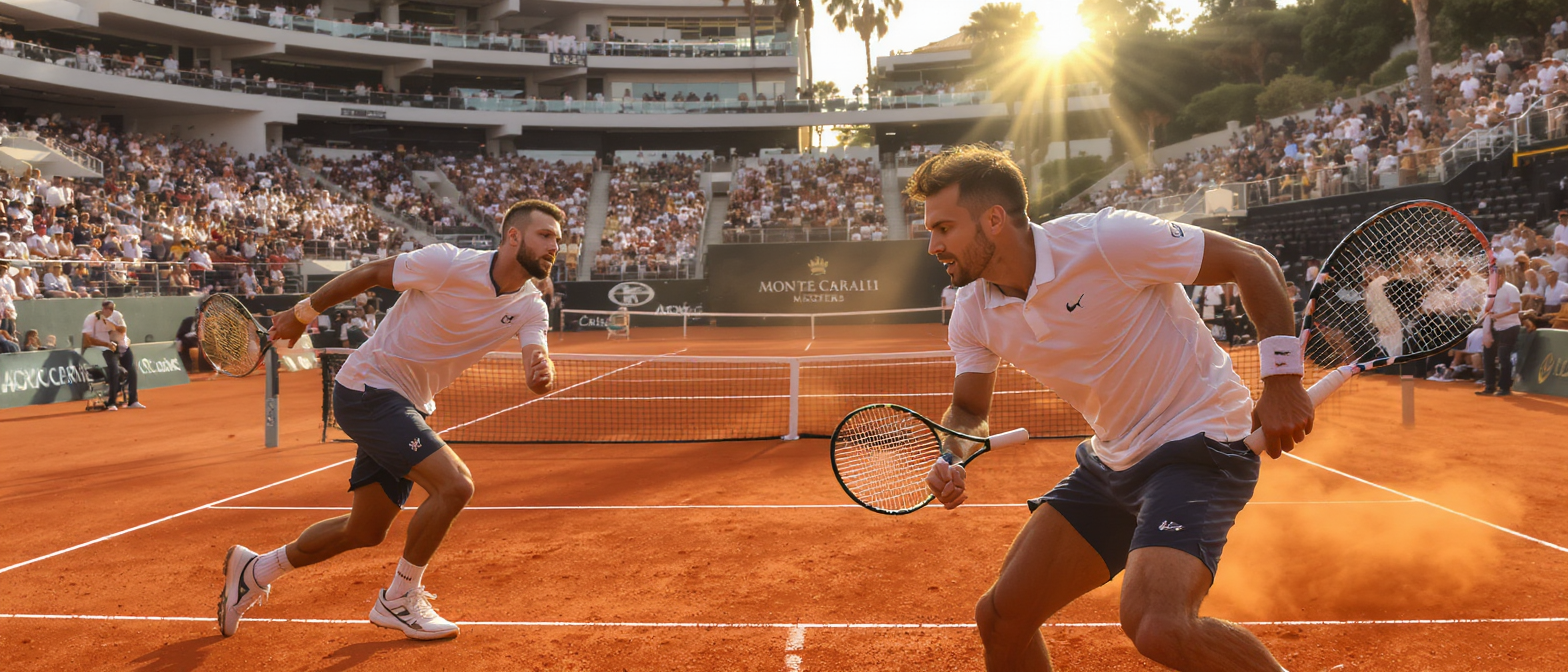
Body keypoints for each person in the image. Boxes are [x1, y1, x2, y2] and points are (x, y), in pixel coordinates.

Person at [909, 146, 1312, 672]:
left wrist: (1282, 379)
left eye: (943, 228)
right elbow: (967, 409)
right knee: (1002, 619)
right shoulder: (972, 311)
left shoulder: (1105, 239)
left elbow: (1251, 260)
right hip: (1114, 461)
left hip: (1199, 442)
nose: (934, 245)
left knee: (1159, 625)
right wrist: (953, 453)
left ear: (994, 220)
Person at [218, 200, 562, 641]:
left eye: (557, 239)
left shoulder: (532, 306)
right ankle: (399, 597)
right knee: (455, 485)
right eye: (545, 235)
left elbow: (537, 361)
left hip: (410, 404)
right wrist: (302, 314)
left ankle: (256, 569)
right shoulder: (448, 263)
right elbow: (371, 273)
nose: (554, 246)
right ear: (513, 236)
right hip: (368, 388)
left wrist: (541, 373)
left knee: (364, 530)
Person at [81, 300, 144, 411]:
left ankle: (133, 401)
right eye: (107, 308)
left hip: (121, 345)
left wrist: (111, 325)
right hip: (103, 348)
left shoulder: (117, 315)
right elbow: (87, 340)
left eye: (111, 309)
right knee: (114, 370)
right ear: (103, 308)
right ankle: (111, 402)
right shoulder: (91, 318)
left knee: (132, 370)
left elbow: (123, 329)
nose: (110, 311)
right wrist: (107, 344)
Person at [1478, 277, 1523, 396]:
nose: (1488, 279)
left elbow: (1516, 308)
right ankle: (1489, 386)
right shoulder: (1489, 290)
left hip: (1510, 327)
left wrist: (1499, 315)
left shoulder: (1511, 289)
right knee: (1488, 356)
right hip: (1493, 327)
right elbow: (1486, 309)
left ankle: (1504, 387)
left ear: (1501, 276)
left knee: (1503, 357)